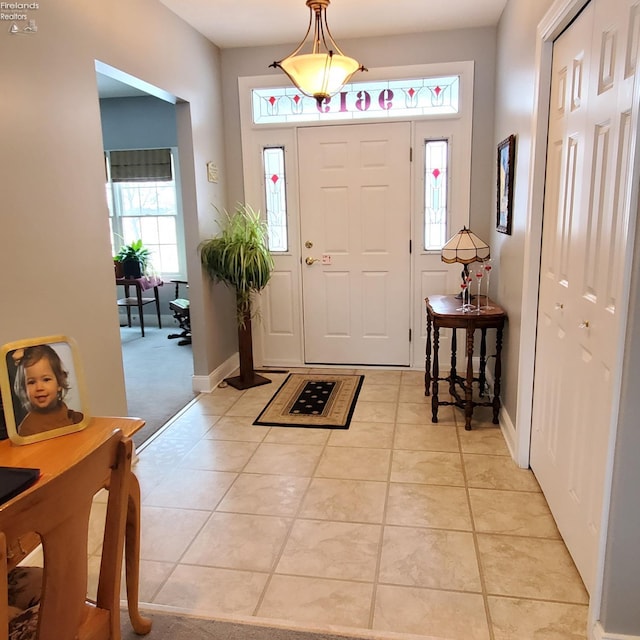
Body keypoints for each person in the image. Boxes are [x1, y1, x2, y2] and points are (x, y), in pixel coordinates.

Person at [12, 344, 84, 437]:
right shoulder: (27, 429)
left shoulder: (70, 415)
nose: (39, 388)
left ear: (59, 382)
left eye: (46, 379)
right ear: (24, 388)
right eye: (32, 382)